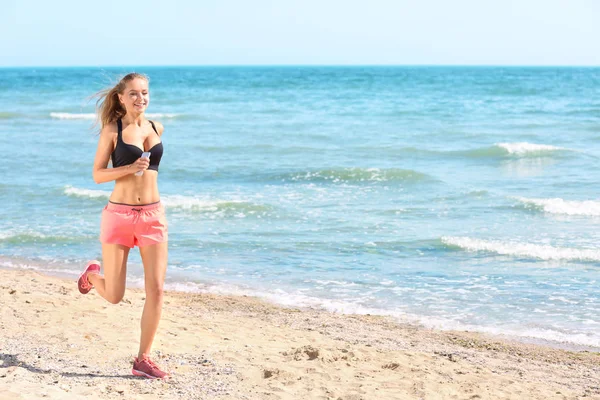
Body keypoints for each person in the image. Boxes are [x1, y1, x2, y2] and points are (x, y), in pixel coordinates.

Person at [77, 73, 169, 379]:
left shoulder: (157, 127)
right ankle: (92, 275)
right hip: (119, 215)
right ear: (121, 97)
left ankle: (142, 358)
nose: (140, 98)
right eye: (133, 93)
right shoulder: (112, 131)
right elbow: (97, 175)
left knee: (156, 289)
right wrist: (129, 168)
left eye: (144, 93)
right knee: (115, 295)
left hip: (152, 216)